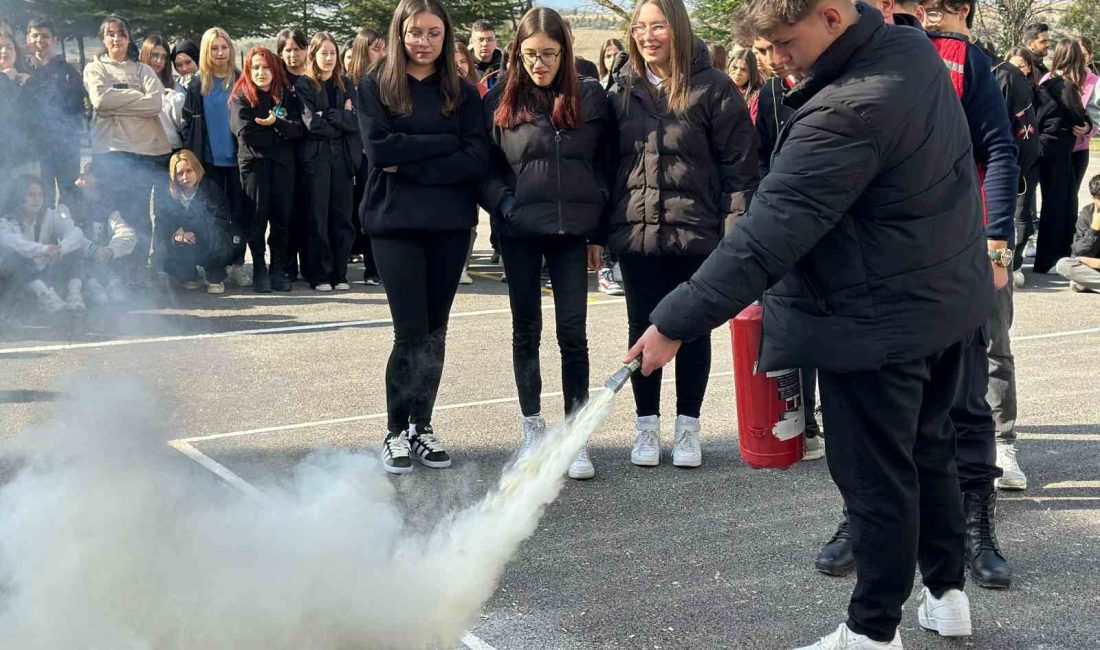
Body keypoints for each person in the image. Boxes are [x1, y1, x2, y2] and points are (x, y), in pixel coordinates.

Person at [628, 0, 995, 645]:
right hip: (941, 304)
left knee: (874, 479)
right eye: (764, 46)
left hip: (870, 321)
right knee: (930, 453)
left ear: (830, 15)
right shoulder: (914, 53)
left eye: (782, 40)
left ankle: (872, 631)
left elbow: (765, 238)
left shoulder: (845, 110)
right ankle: (947, 594)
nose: (773, 58)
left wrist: (673, 323)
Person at [608, 0, 757, 469]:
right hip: (638, 234)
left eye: (658, 26)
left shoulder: (714, 88)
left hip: (697, 235)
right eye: (639, 27)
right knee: (642, 327)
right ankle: (646, 424)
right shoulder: (623, 87)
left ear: (678, 29)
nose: (647, 36)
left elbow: (740, 169)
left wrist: (733, 234)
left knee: (692, 328)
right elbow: (608, 164)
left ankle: (688, 426)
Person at [357, 0, 490, 475]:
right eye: (416, 32)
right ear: (400, 33)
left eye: (434, 33)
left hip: (450, 225)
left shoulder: (464, 92)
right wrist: (443, 145)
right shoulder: (376, 84)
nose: (424, 42)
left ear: (446, 35)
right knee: (409, 331)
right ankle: (395, 430)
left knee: (435, 332)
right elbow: (379, 151)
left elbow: (476, 159)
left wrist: (411, 161)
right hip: (394, 225)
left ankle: (422, 425)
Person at [481, 7, 612, 480]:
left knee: (573, 335)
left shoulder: (590, 98)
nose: (540, 64)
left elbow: (605, 165)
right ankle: (533, 429)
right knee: (526, 330)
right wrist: (506, 205)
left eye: (550, 54)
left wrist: (598, 228)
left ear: (565, 51)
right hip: (519, 232)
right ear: (518, 52)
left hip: (573, 234)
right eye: (531, 54)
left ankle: (574, 437)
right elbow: (486, 169)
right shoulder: (499, 99)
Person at [751, 37, 825, 459]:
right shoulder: (770, 93)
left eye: (775, 47)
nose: (769, 60)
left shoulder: (830, 82)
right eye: (760, 51)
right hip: (784, 221)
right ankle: (803, 423)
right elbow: (761, 155)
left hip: (830, 219)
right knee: (791, 321)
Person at [83, 14, 172, 288]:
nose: (116, 39)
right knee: (113, 215)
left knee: (139, 216)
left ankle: (137, 272)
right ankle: (113, 274)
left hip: (144, 153)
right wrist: (136, 98)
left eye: (121, 34)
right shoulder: (94, 68)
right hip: (110, 153)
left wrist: (118, 101)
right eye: (110, 34)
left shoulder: (143, 70)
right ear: (103, 38)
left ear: (128, 38)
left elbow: (155, 103)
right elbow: (100, 99)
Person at [230, 46, 305, 293]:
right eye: (256, 67)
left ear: (275, 69)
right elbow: (247, 133)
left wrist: (277, 124)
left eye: (266, 67)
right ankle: (260, 268)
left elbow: (297, 129)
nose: (261, 72)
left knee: (281, 218)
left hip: (283, 167)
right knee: (257, 218)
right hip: (254, 166)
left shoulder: (286, 96)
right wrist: (278, 132)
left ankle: (278, 268)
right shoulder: (241, 96)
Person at [181, 27, 249, 288]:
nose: (220, 53)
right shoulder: (199, 82)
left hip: (238, 161)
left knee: (239, 215)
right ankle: (214, 267)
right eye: (214, 48)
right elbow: (188, 123)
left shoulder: (241, 79)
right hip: (208, 162)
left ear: (230, 49)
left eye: (224, 47)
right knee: (211, 217)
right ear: (207, 52)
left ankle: (238, 265)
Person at [295, 32, 361, 292]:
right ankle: (320, 274)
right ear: (313, 55)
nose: (329, 58)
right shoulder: (304, 85)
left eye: (333, 53)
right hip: (317, 160)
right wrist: (340, 119)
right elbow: (312, 123)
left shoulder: (346, 83)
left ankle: (340, 273)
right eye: (324, 53)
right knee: (318, 218)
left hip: (343, 160)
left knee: (342, 218)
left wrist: (331, 115)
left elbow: (355, 122)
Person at [1034, 39, 1093, 275]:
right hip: (1058, 150)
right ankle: (1054, 258)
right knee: (1063, 203)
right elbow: (1078, 116)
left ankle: (1048, 258)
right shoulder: (1066, 86)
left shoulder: (1046, 80)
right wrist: (1086, 125)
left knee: (1053, 202)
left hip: (1047, 148)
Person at [0, 174, 93, 311]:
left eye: (40, 195)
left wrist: (61, 249)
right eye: (31, 195)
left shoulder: (50, 216)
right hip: (15, 279)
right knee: (16, 258)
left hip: (45, 272)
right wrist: (44, 249)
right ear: (19, 197)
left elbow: (76, 232)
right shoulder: (5, 222)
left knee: (74, 250)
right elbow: (13, 242)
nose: (37, 200)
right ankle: (46, 298)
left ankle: (74, 296)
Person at [23, 18, 85, 209]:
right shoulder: (21, 69)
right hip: (34, 146)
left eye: (45, 36)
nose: (40, 40)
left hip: (65, 145)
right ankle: (42, 236)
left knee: (70, 195)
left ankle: (73, 235)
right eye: (35, 35)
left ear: (54, 39)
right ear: (27, 38)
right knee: (40, 196)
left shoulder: (67, 71)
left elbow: (77, 106)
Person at [155, 149, 236, 293]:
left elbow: (222, 219)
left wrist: (193, 231)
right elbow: (162, 220)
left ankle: (214, 274)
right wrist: (176, 232)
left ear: (197, 170)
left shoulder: (211, 189)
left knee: (218, 236)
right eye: (180, 173)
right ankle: (188, 274)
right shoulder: (168, 194)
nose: (185, 177)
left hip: (208, 238)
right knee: (168, 246)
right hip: (184, 242)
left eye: (189, 171)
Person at [345, 27, 386, 285]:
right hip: (350, 158)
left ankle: (375, 268)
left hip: (375, 159)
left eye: (384, 48)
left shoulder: (387, 81)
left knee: (374, 211)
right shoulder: (347, 83)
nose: (381, 53)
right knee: (352, 212)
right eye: (375, 48)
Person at [1004, 46, 1047, 278]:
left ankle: (1016, 262)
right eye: (1013, 64)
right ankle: (1002, 262)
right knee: (1001, 216)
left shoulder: (1039, 94)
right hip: (1006, 160)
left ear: (1029, 68)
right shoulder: (1001, 89)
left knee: (1022, 215)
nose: (1018, 69)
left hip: (1029, 160)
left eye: (1022, 64)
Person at [276, 27, 311, 285]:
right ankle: (286, 265)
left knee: (310, 212)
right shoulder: (277, 82)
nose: (292, 55)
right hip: (285, 155)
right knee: (286, 212)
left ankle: (311, 265)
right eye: (287, 50)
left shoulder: (314, 78)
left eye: (297, 48)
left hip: (313, 154)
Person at [73, 161, 136, 304]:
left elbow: (127, 233)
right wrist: (92, 249)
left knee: (116, 292)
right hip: (80, 263)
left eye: (86, 173)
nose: (82, 175)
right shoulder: (71, 206)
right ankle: (88, 286)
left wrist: (111, 250)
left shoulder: (109, 212)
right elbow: (67, 233)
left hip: (104, 263)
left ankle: (113, 282)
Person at [0, 24, 35, 213]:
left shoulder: (25, 80)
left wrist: (26, 85)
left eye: (9, 46)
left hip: (26, 158)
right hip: (2, 160)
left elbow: (36, 116)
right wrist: (5, 81)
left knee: (26, 215)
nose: (4, 51)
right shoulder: (10, 80)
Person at [140, 35, 186, 152]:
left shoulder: (175, 87)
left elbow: (184, 124)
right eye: (155, 55)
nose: (159, 61)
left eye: (164, 57)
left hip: (171, 150)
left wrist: (176, 101)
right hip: (141, 151)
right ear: (146, 54)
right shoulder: (135, 84)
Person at [1056, 174, 1100, 292]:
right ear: (1093, 197)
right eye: (1098, 198)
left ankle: (1090, 283)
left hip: (1095, 265)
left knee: (1078, 283)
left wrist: (1096, 263)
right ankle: (1092, 283)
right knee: (1063, 265)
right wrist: (1094, 230)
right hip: (1093, 269)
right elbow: (1078, 251)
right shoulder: (1087, 213)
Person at [1070, 38, 1098, 198]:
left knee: (1072, 193)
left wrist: (1089, 129)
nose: (1080, 59)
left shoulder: (1096, 82)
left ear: (1090, 56)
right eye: (1077, 54)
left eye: (1084, 55)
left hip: (1080, 148)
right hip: (1056, 146)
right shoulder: (1056, 78)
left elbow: (1097, 116)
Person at [730, 48, 763, 123]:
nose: (738, 73)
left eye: (744, 70)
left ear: (751, 73)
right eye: (735, 68)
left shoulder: (756, 97)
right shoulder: (720, 89)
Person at [470, 19, 503, 90]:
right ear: (471, 41)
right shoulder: (463, 67)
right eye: (480, 39)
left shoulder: (505, 67)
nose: (485, 44)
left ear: (495, 42)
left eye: (490, 39)